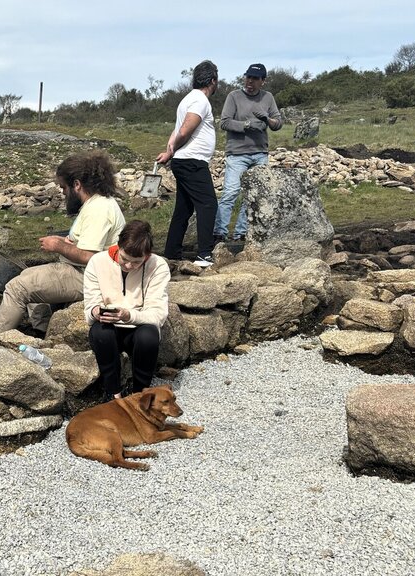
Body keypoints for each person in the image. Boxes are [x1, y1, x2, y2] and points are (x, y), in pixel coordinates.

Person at [0, 151, 125, 336]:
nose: (63, 192)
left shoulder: (99, 209)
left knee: (17, 287)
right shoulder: (97, 204)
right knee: (27, 274)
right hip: (86, 271)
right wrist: (66, 241)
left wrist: (59, 246)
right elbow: (89, 244)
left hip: (91, 277)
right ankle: (42, 330)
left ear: (77, 184)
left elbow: (89, 256)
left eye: (64, 187)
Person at [83, 220, 171, 400]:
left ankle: (139, 394)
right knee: (100, 332)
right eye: (124, 259)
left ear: (147, 255)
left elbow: (158, 315)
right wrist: (96, 311)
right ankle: (113, 393)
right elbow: (90, 307)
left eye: (136, 262)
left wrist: (129, 315)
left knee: (148, 336)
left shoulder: (158, 266)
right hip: (109, 328)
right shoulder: (97, 262)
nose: (129, 266)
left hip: (138, 326)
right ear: (118, 246)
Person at [157, 59, 220, 268]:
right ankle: (204, 255)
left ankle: (172, 252)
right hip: (193, 161)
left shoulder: (187, 99)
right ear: (213, 80)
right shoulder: (200, 101)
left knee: (183, 209)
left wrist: (170, 152)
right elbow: (184, 131)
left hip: (184, 161)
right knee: (208, 204)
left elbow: (177, 130)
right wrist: (173, 149)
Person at [215, 63, 283, 242]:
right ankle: (219, 233)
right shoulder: (234, 96)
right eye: (248, 77)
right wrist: (246, 125)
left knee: (253, 195)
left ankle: (241, 233)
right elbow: (224, 122)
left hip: (260, 153)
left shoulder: (268, 97)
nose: (250, 81)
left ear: (263, 81)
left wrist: (266, 119)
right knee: (230, 193)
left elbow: (278, 123)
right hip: (237, 153)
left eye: (255, 78)